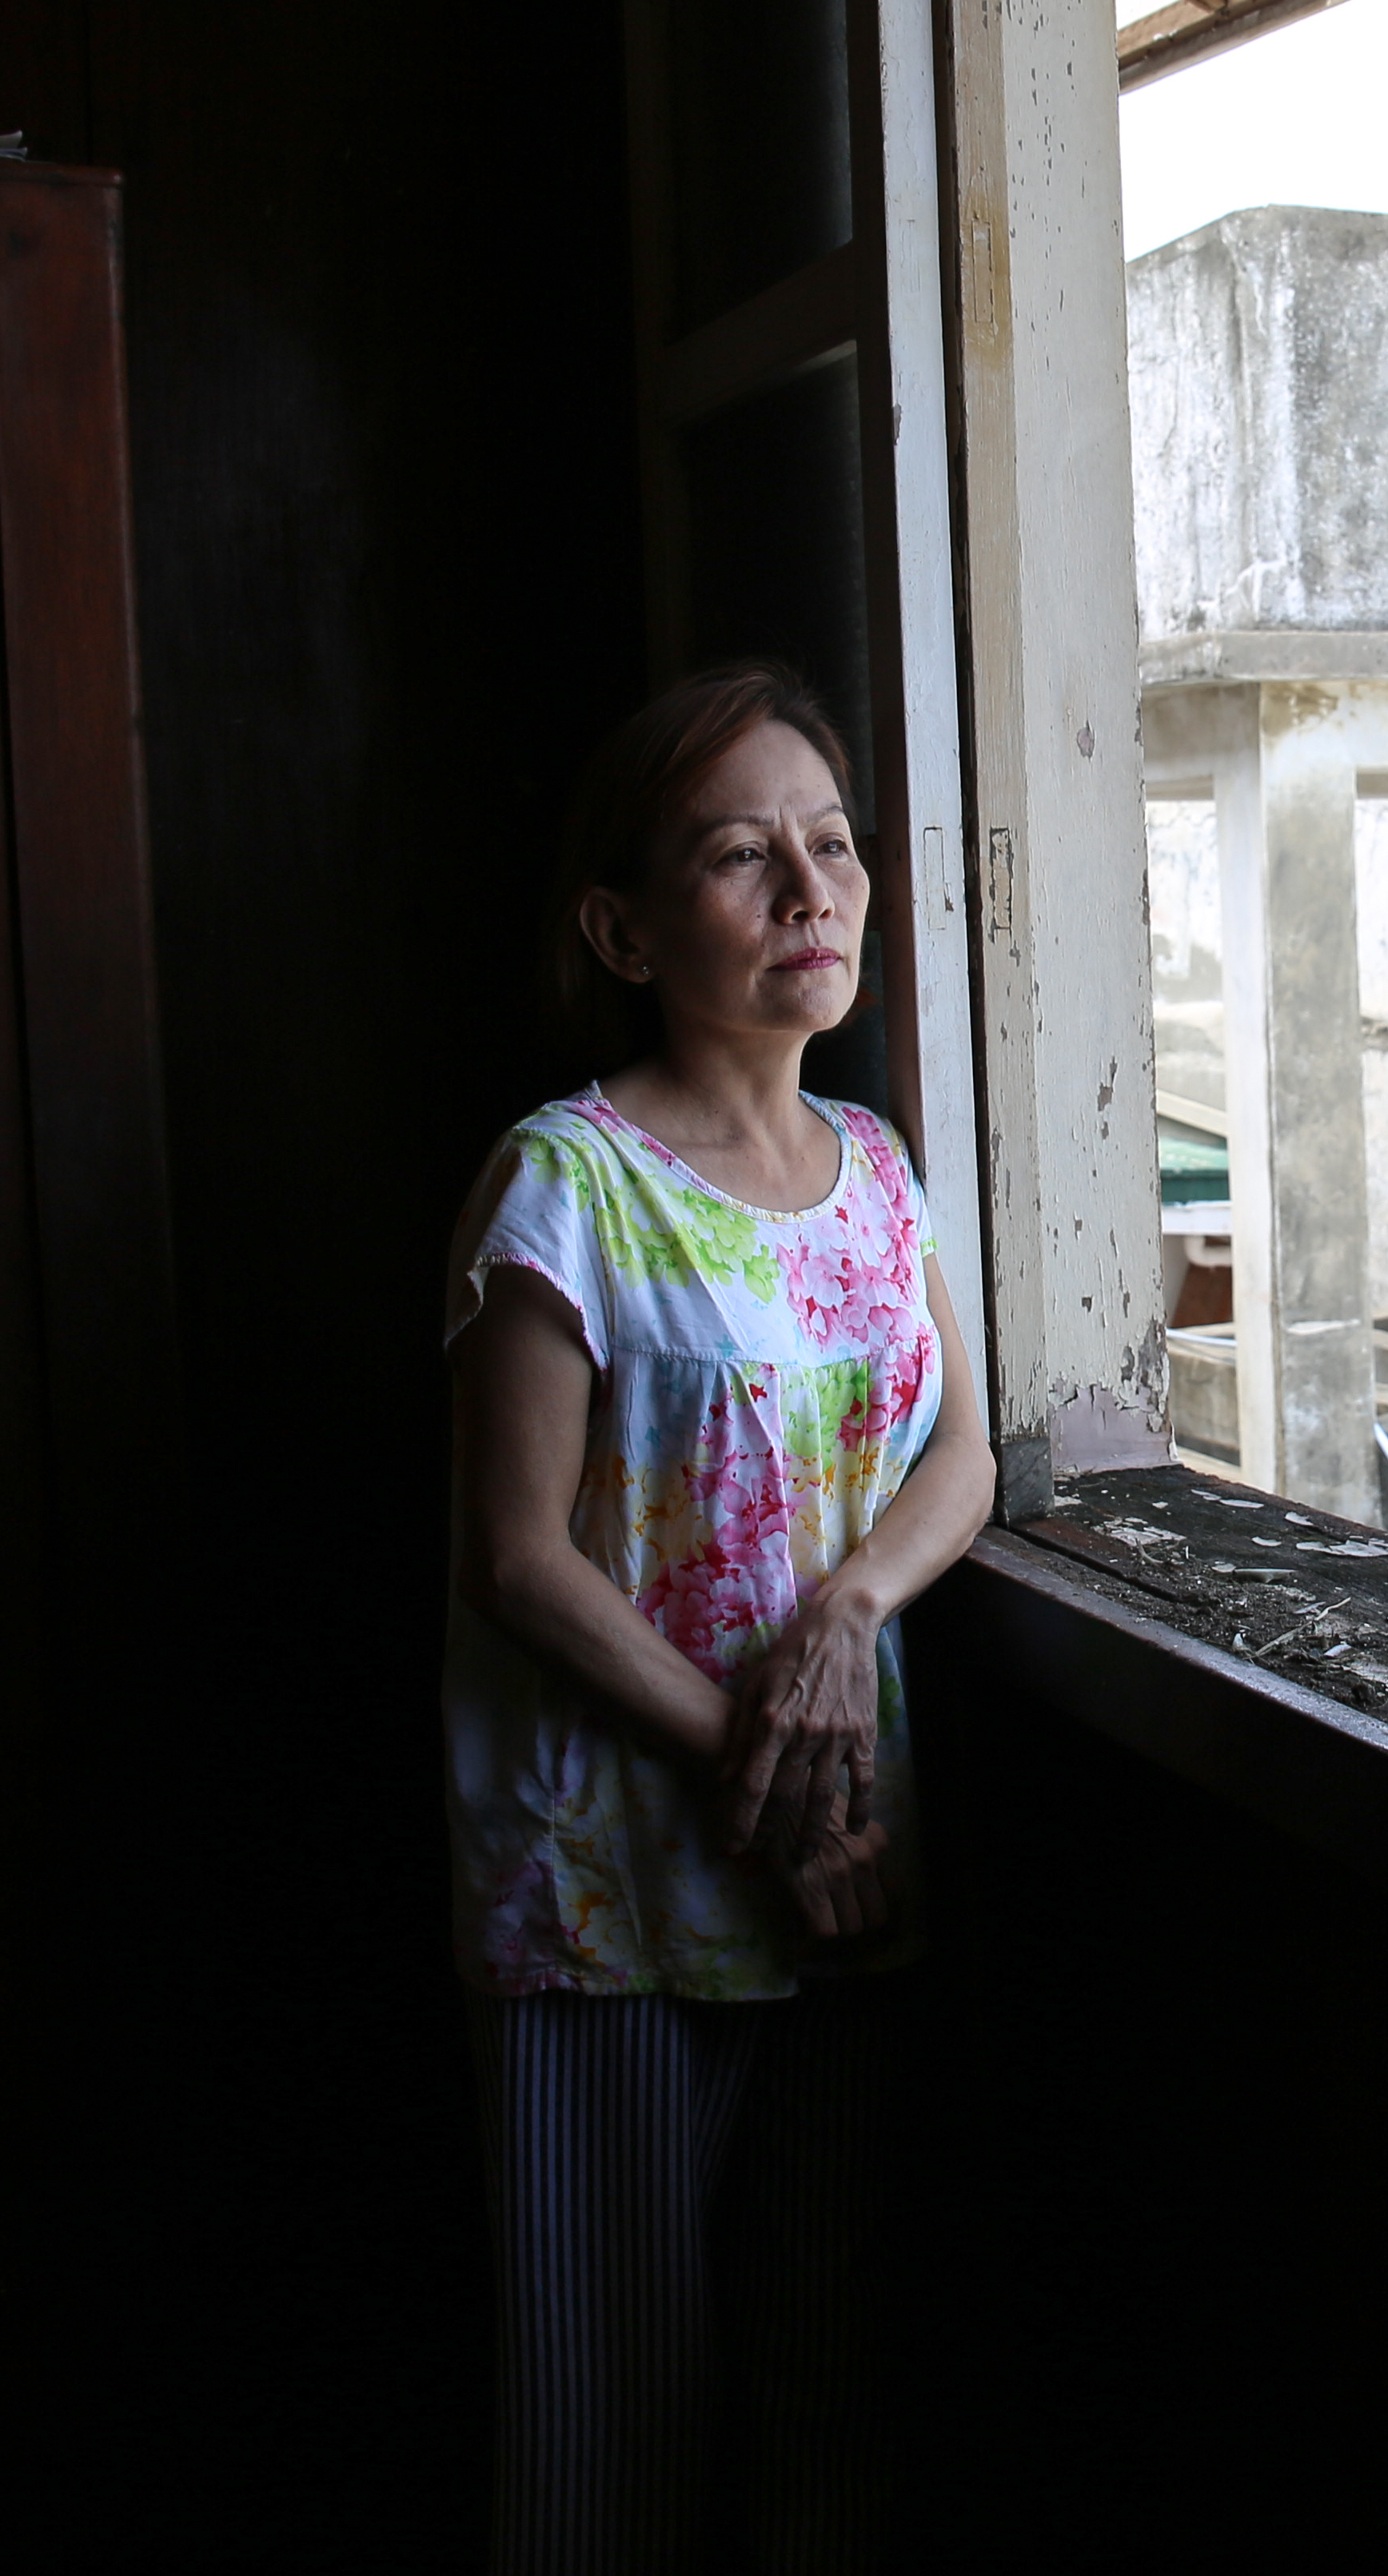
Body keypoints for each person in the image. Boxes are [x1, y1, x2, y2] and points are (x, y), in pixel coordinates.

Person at [440, 662, 991, 2574]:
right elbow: (517, 1559)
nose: (809, 891)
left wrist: (854, 1603)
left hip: (849, 1872)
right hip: (622, 1895)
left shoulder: (884, 1176)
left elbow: (963, 1459)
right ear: (624, 927)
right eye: (743, 858)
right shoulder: (564, 1182)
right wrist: (757, 1786)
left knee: (827, 2409)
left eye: (829, 845)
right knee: (615, 2441)